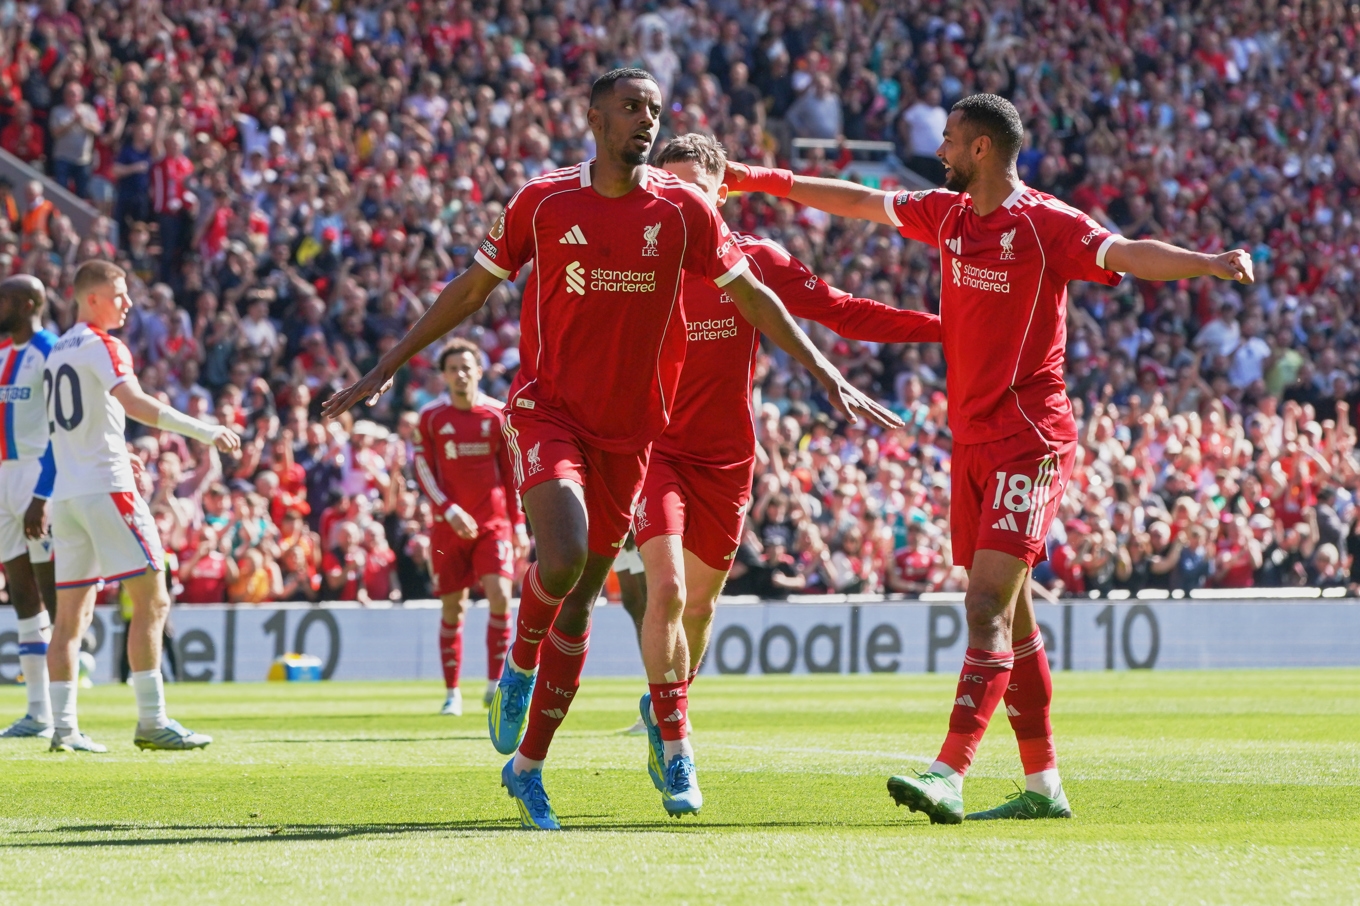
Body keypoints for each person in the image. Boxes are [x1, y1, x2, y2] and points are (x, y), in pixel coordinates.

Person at [323, 68, 897, 829]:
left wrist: (823, 369)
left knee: (586, 597)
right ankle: (519, 663)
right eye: (631, 108)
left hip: (632, 433)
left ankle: (526, 767)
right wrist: (383, 368)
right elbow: (472, 288)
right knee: (560, 561)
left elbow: (753, 292)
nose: (646, 121)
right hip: (549, 412)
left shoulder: (684, 208)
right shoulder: (545, 199)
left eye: (655, 110)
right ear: (594, 117)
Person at [726, 92, 1254, 823]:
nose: (938, 151)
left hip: (1030, 438)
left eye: (948, 139)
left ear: (980, 148)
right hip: (970, 439)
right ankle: (1044, 785)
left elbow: (1125, 251)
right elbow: (859, 201)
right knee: (1016, 616)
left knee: (982, 606)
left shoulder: (1045, 224)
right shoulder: (946, 216)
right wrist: (759, 177)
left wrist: (1207, 263)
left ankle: (950, 770)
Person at [624, 132, 940, 812]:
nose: (676, 201)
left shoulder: (754, 261)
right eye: (666, 187)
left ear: (720, 193)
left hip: (727, 459)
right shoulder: (641, 257)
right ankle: (679, 751)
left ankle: (664, 709)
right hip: (656, 452)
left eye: (689, 189)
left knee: (701, 607)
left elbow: (843, 311)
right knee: (670, 591)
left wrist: (948, 328)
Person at [43, 260, 241, 753]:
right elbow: (133, 402)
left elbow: (77, 422)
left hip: (66, 495)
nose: (128, 303)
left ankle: (63, 729)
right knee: (153, 599)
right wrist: (204, 431)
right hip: (107, 488)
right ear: (91, 299)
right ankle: (152, 720)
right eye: (119, 293)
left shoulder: (55, 352)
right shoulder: (103, 344)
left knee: (69, 619)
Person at [413, 338, 527, 716]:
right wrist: (447, 510)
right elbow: (423, 469)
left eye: (467, 367)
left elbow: (511, 475)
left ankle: (494, 684)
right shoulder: (430, 417)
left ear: (479, 371)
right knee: (452, 609)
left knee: (499, 595)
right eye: (453, 369)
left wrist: (519, 524)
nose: (460, 374)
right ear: (443, 376)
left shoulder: (497, 415)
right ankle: (452, 693)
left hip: (492, 522)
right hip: (448, 527)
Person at [0, 276, 59, 738]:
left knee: (53, 594)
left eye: (3, 299)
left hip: (37, 476)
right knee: (21, 593)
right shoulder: (3, 355)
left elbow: (62, 429)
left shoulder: (51, 351)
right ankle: (37, 712)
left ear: (27, 303)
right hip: (3, 478)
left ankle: (66, 714)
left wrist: (43, 494)